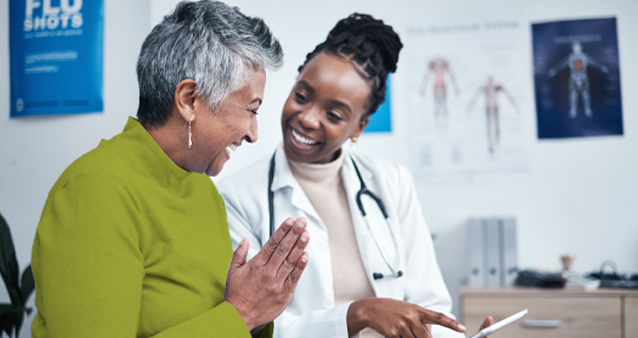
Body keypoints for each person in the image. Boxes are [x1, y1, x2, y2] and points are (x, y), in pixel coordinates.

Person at [31, 2, 310, 337]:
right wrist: (241, 313)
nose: (253, 133)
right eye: (251, 110)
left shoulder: (201, 187)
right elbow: (230, 320)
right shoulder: (96, 191)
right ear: (189, 100)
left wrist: (261, 309)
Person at [218, 13, 492, 338]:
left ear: (358, 127)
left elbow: (427, 305)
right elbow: (256, 324)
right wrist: (357, 314)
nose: (307, 118)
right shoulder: (237, 196)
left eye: (334, 114)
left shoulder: (391, 183)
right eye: (302, 96)